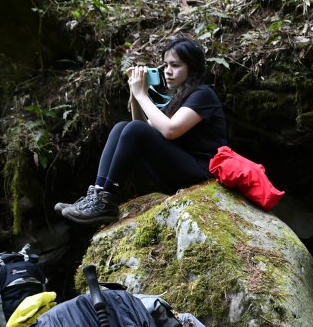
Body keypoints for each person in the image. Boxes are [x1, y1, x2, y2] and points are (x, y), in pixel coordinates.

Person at [56, 37, 228, 225]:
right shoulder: (178, 98)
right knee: (121, 127)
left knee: (133, 128)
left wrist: (142, 94)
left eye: (175, 65)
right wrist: (135, 93)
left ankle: (107, 198)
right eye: (166, 65)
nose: (168, 72)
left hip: (202, 172)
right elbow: (141, 129)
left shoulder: (203, 94)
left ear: (192, 67)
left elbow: (171, 131)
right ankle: (99, 194)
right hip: (179, 170)